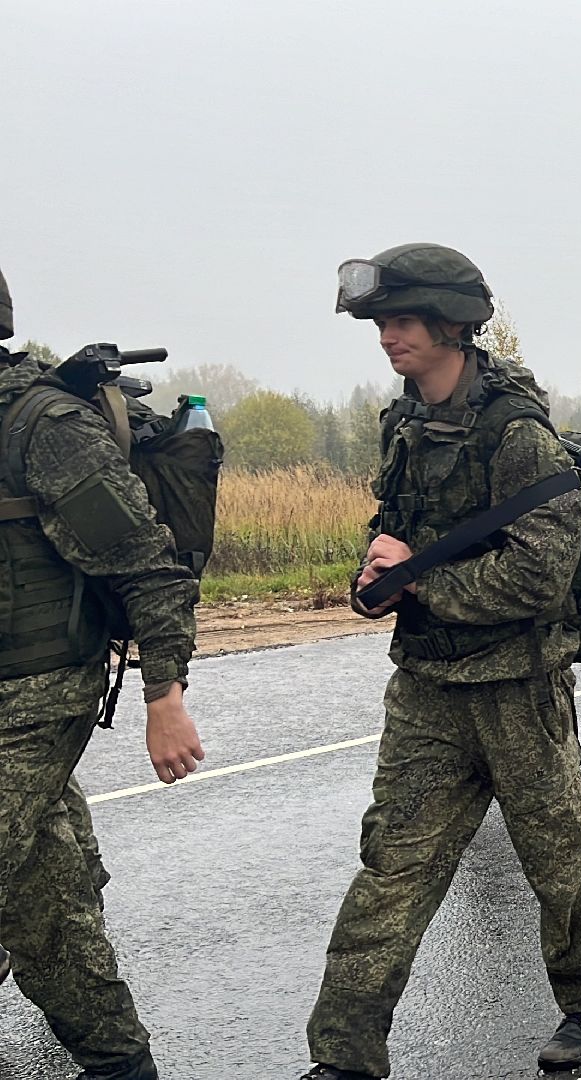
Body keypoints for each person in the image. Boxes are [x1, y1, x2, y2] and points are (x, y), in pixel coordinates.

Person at [306, 245, 581, 1078]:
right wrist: (377, 576)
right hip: (426, 689)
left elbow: (541, 572)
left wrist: (422, 586)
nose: (388, 337)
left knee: (556, 860)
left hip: (516, 684)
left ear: (452, 323)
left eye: (402, 320)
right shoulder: (403, 422)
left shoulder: (518, 436)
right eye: (381, 322)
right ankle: (344, 1054)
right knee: (392, 865)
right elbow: (399, 531)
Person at [0, 266, 205, 1080]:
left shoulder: (42, 423)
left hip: (38, 688)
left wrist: (165, 695)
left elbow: (147, 567)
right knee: (39, 889)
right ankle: (116, 1057)